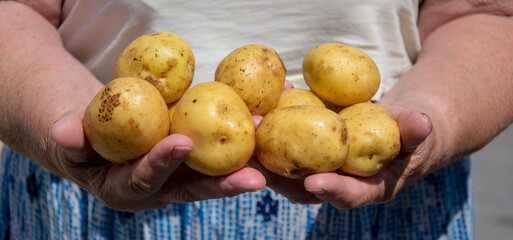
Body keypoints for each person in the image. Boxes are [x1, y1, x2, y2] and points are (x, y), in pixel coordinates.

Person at [1, 0, 512, 239]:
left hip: (383, 192)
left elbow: (486, 12)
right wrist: (54, 114)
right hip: (96, 179)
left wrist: (438, 119)